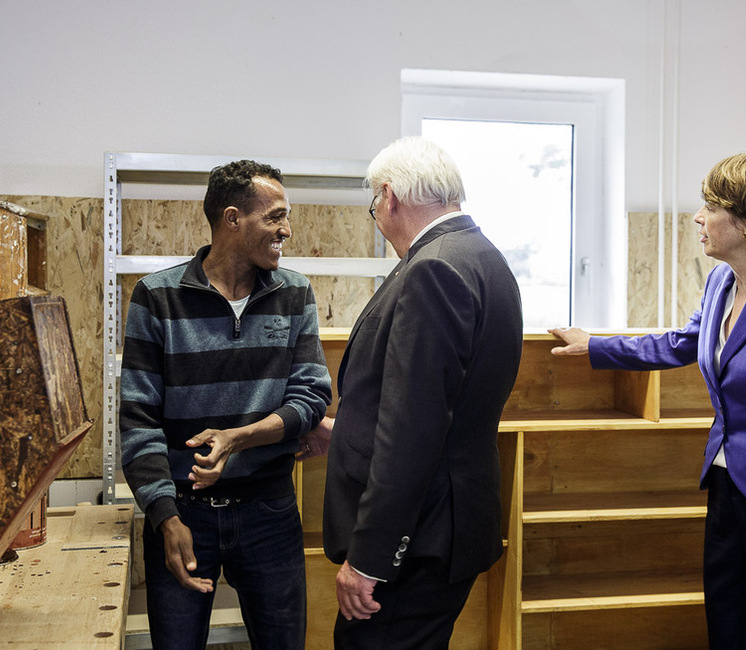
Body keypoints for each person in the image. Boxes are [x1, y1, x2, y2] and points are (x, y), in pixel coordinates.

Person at [550, 152, 746, 649]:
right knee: (728, 631)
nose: (698, 217)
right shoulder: (722, 280)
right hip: (726, 488)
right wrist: (597, 346)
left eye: (712, 205)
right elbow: (682, 341)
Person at [318, 136, 524, 649]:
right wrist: (345, 433)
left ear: (388, 196)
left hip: (414, 541)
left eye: (373, 205)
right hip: (444, 524)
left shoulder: (432, 267)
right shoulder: (481, 256)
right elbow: (438, 400)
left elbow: (413, 429)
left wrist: (370, 557)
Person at [119, 159, 332, 649]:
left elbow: (312, 395)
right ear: (233, 219)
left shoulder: (294, 293)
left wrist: (238, 438)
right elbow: (138, 420)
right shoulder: (157, 298)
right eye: (275, 217)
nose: (287, 229)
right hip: (182, 515)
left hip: (269, 511)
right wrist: (164, 517)